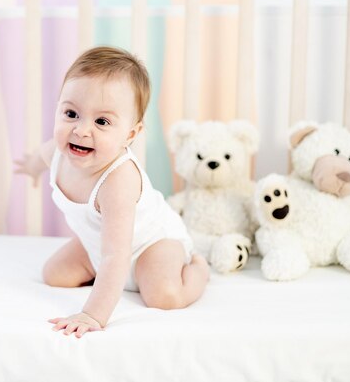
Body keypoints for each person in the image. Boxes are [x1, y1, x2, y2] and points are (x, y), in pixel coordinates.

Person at [14, 46, 209, 338]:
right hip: (99, 245)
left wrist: (92, 314)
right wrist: (30, 167)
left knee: (164, 296)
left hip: (150, 246)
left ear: (129, 135)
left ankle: (199, 270)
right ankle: (106, 279)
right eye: (71, 113)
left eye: (102, 121)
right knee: (54, 275)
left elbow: (116, 255)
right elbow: (39, 159)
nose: (81, 130)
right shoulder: (57, 151)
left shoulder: (118, 180)